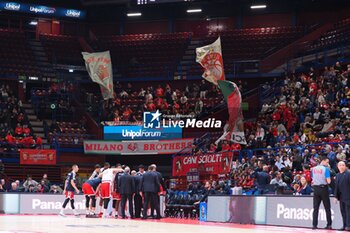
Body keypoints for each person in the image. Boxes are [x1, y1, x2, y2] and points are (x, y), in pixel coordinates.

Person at [311, 156, 332, 229]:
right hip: (323, 189)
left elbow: (313, 180)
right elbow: (329, 181)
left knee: (315, 208)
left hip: (316, 189)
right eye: (327, 162)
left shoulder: (313, 169)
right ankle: (329, 225)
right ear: (323, 161)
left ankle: (314, 225)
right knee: (327, 208)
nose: (327, 163)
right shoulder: (326, 169)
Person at [335, 161, 350, 231]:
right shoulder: (337, 175)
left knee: (348, 212)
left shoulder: (348, 174)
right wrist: (335, 196)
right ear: (338, 167)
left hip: (348, 196)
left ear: (345, 166)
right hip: (341, 197)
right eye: (340, 165)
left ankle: (348, 226)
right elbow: (336, 187)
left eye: (343, 165)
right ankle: (344, 225)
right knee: (343, 212)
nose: (341, 166)